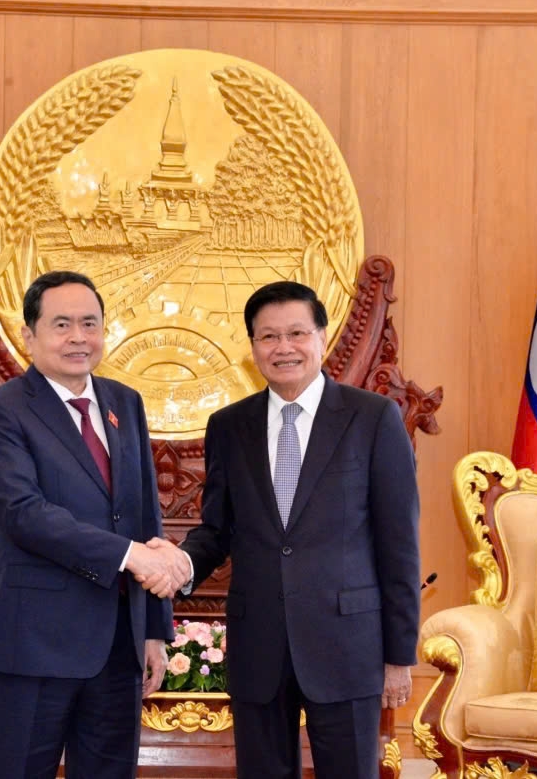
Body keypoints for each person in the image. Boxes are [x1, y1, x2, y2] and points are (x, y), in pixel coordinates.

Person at [174, 280, 421, 779]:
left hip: (347, 644)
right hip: (258, 641)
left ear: (322, 337)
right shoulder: (228, 425)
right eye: (268, 337)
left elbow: (399, 545)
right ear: (252, 348)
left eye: (296, 333)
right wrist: (175, 566)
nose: (283, 348)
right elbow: (217, 529)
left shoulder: (373, 418)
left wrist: (399, 656)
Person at [0, 271, 190, 779]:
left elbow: (143, 514)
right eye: (62, 324)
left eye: (89, 324)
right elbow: (24, 514)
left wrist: (154, 632)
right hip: (34, 644)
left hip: (118, 646)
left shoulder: (124, 403)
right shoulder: (0, 411)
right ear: (29, 336)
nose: (78, 337)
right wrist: (130, 556)